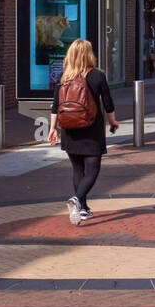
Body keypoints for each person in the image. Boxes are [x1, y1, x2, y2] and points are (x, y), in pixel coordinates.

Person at [47, 39, 119, 225]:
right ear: (89, 54)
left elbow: (56, 106)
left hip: (69, 129)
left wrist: (52, 129)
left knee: (78, 168)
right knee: (93, 169)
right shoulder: (97, 76)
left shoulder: (63, 77)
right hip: (91, 129)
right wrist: (112, 121)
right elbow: (108, 103)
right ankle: (77, 200)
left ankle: (84, 209)